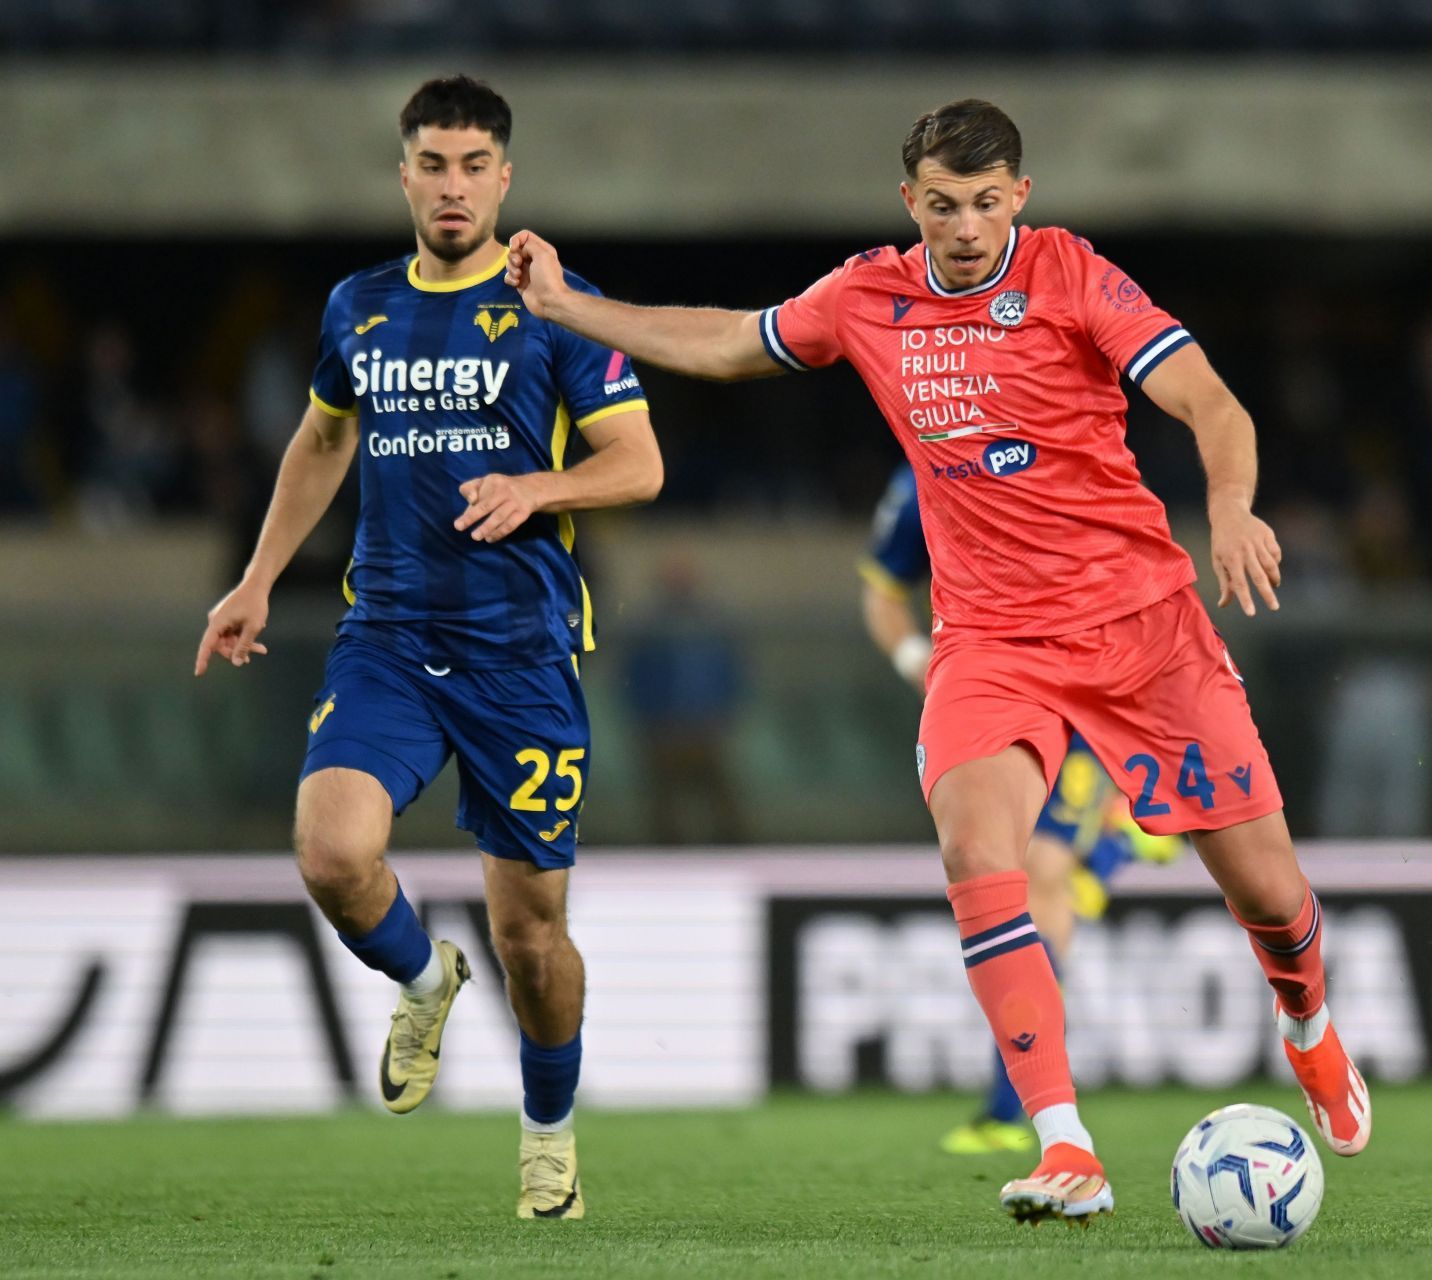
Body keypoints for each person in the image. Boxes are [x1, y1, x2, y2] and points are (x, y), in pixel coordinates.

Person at [508, 97, 1371, 1224]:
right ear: (910, 201)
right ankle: (1064, 1142)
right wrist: (574, 304)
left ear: (1019, 195)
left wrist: (1234, 509)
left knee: (1268, 890)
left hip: (1143, 629)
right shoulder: (868, 293)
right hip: (993, 641)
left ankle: (1306, 1022)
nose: (964, 226)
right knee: (978, 851)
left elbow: (1209, 401)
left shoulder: (1073, 275)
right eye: (942, 204)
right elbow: (731, 339)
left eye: (985, 202)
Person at [194, 75, 663, 1220]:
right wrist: (255, 579)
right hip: (389, 640)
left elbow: (640, 465)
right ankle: (421, 974)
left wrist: (539, 485)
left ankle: (547, 1133)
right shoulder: (357, 305)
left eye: (473, 166)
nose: (452, 186)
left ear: (504, 178)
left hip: (520, 657)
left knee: (533, 937)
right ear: (404, 174)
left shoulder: (554, 302)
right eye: (433, 164)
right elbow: (319, 438)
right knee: (329, 852)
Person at [860, 461, 1180, 1155]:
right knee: (1016, 874)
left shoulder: (1052, 437)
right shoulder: (922, 474)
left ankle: (1014, 1108)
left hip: (1087, 672)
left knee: (1040, 874)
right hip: (997, 690)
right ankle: (1120, 840)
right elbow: (882, 593)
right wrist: (919, 658)